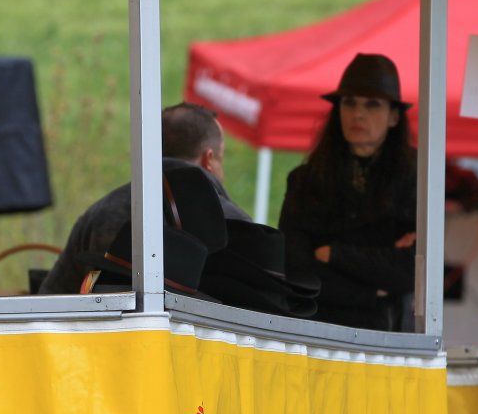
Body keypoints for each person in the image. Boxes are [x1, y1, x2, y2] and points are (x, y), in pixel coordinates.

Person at [38, 103, 250, 295]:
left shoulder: (99, 213)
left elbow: (52, 298)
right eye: (222, 157)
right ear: (209, 159)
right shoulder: (236, 223)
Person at [278, 52, 417, 331]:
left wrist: (335, 254)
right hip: (317, 330)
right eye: (349, 102)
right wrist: (370, 290)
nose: (358, 114)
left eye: (372, 104)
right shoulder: (305, 180)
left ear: (393, 116)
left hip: (388, 335)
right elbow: (294, 270)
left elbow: (411, 269)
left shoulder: (417, 179)